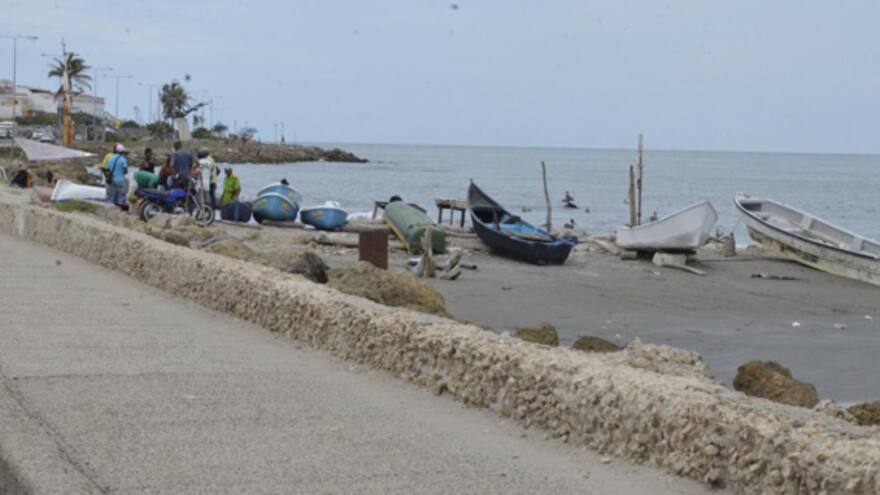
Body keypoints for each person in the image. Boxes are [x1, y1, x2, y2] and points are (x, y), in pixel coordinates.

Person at [105, 144, 129, 210]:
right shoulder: (123, 159)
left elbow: (108, 169)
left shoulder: (110, 158)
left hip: (112, 180)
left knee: (112, 197)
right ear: (122, 152)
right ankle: (119, 212)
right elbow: (125, 171)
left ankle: (111, 211)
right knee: (121, 198)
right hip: (120, 180)